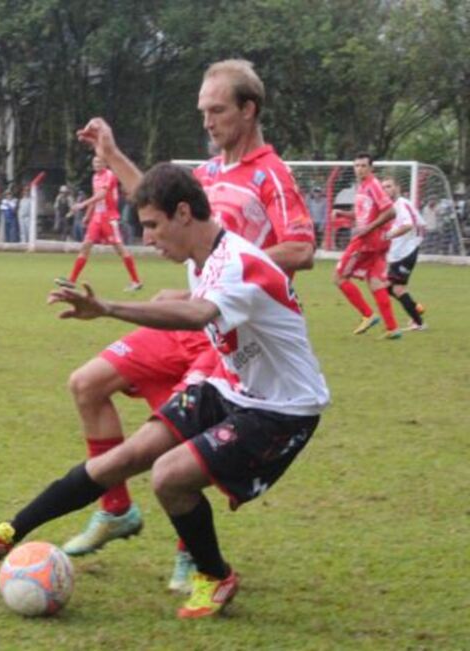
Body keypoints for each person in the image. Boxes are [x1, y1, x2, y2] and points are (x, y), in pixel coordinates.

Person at [0, 162, 329, 619]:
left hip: (283, 410)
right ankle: (9, 532)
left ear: (184, 213)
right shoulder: (203, 256)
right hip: (231, 388)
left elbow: (199, 315)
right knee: (123, 458)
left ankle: (215, 576)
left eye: (152, 226)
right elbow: (199, 296)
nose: (148, 238)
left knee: (168, 477)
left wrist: (108, 307)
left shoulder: (237, 262)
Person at [33, 60, 318, 593]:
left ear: (248, 109)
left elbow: (301, 249)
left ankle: (195, 557)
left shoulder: (271, 174)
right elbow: (158, 205)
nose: (207, 121)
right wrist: (113, 155)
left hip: (226, 328)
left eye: (217, 110)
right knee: (88, 383)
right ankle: (116, 509)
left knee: (176, 450)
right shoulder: (206, 174)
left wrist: (213, 287)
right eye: (202, 111)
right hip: (188, 316)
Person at [332, 153, 401, 339]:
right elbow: (362, 214)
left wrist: (367, 229)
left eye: (363, 165)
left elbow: (391, 212)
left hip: (367, 241)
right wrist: (342, 213)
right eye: (357, 165)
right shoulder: (362, 187)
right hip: (375, 241)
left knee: (339, 277)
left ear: (371, 168)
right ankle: (392, 328)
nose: (359, 169)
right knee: (375, 281)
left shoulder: (373, 185)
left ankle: (368, 315)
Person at [56, 156, 142, 292]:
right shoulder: (95, 177)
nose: (96, 164)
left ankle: (136, 281)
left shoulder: (109, 175)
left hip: (109, 217)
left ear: (105, 163)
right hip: (97, 217)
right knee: (86, 245)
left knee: (119, 248)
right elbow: (96, 197)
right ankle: (72, 280)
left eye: (99, 162)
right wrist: (88, 215)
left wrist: (83, 204)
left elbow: (102, 194)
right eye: (95, 162)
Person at [381, 177, 427, 330]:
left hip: (407, 253)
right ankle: (415, 308)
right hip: (398, 253)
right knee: (387, 287)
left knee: (397, 289)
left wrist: (388, 235)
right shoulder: (392, 207)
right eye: (383, 187)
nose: (385, 190)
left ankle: (419, 323)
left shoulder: (401, 204)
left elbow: (408, 225)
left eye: (389, 186)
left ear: (397, 188)